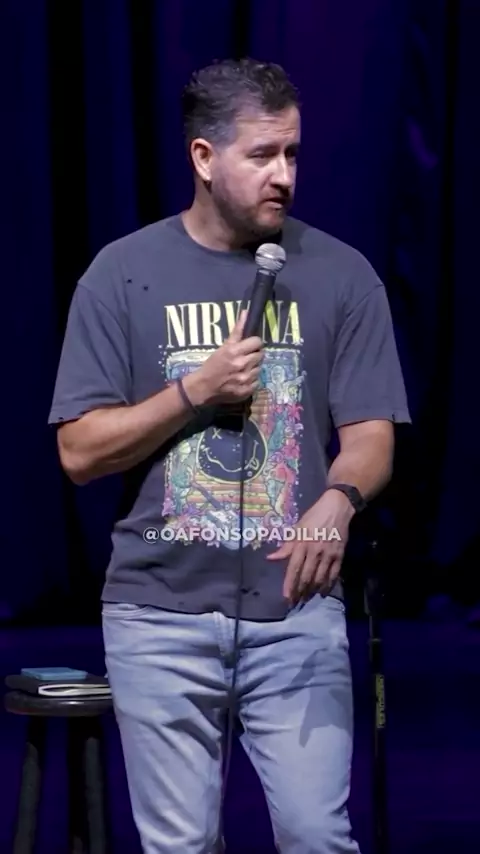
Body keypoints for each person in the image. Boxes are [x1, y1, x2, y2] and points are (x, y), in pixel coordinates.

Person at [48, 58, 411, 854]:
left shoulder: (342, 275)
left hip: (296, 612)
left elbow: (372, 434)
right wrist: (195, 391)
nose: (285, 175)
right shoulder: (122, 275)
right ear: (204, 158)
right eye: (262, 155)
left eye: (293, 153)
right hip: (158, 614)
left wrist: (339, 501)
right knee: (180, 846)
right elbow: (78, 450)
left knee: (318, 835)